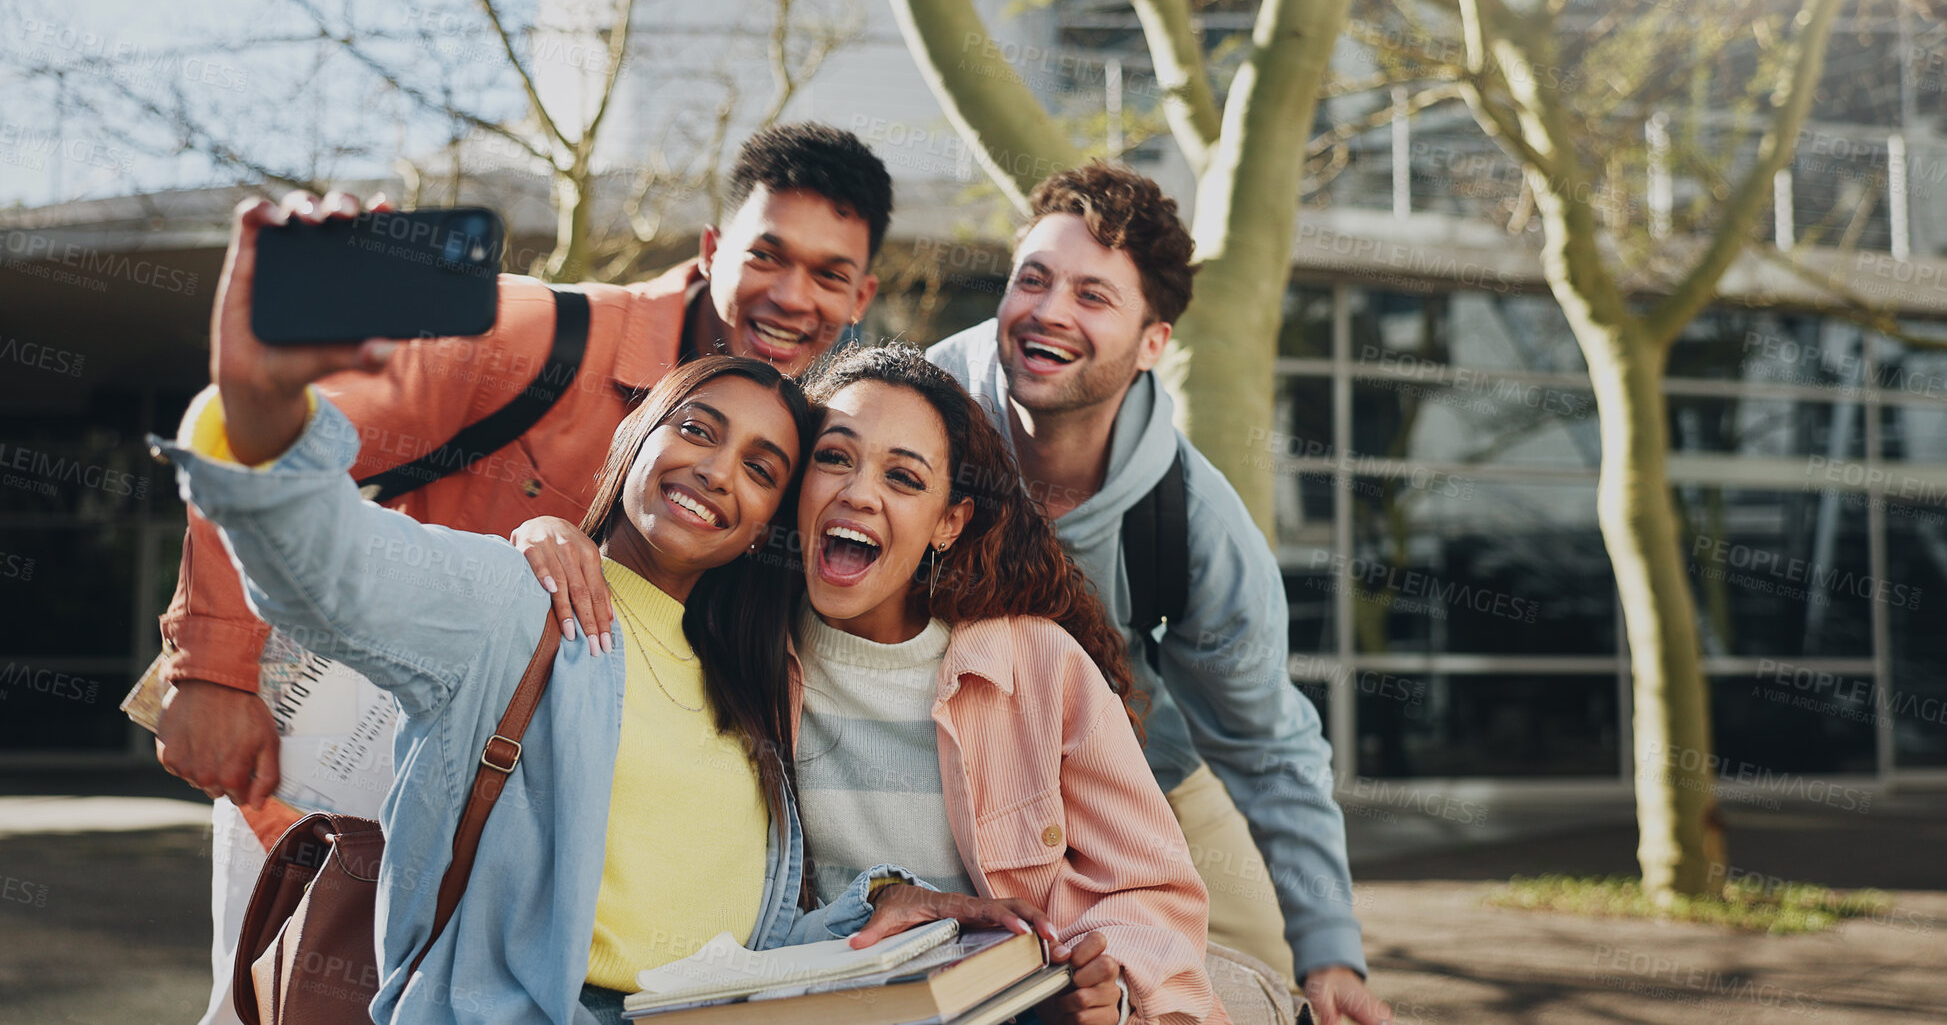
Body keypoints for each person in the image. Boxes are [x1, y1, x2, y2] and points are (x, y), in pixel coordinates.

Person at [152, 123, 893, 1025]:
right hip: (374, 704)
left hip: (537, 809)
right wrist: (213, 671)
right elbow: (288, 469)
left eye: (826, 273)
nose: (789, 295)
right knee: (286, 980)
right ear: (711, 250)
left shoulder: (801, 434)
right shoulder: (540, 333)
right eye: (767, 255)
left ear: (862, 293)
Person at [159, 303, 1052, 1024]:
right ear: (636, 436)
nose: (715, 472)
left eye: (761, 467)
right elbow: (316, 556)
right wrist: (263, 400)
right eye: (697, 430)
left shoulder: (748, 683)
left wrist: (880, 907)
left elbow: (744, 943)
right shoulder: (517, 603)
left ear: (768, 523)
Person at [516, 345, 1229, 1025]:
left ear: (948, 522)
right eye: (834, 459)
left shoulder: (1034, 668)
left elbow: (1150, 889)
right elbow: (637, 573)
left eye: (904, 477)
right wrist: (548, 533)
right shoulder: (736, 645)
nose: (858, 493)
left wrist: (1109, 988)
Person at [924, 163, 1392, 1025]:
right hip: (944, 764)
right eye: (1033, 278)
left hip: (1148, 778)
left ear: (1152, 342)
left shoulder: (1194, 526)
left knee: (1265, 990)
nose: (1049, 311)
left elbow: (1270, 746)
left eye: (1092, 296)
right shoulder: (919, 413)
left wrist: (1330, 948)